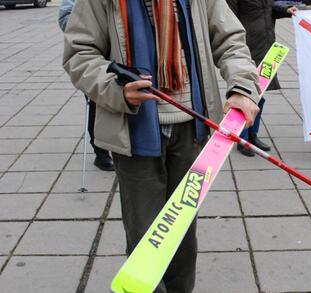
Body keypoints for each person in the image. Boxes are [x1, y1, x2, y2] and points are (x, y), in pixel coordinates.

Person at [62, 0, 260, 292]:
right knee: (145, 237)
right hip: (133, 132)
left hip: (193, 128)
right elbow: (79, 53)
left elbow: (230, 40)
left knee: (181, 231)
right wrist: (116, 89)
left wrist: (243, 86)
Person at [226, 0, 298, 157]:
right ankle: (242, 139)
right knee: (245, 93)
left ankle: (253, 136)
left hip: (266, 46)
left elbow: (270, 7)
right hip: (246, 48)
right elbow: (227, 18)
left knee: (260, 95)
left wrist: (286, 10)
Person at [58, 0, 114, 171]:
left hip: (124, 53)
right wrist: (91, 25)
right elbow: (65, 18)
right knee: (97, 104)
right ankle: (101, 153)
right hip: (98, 55)